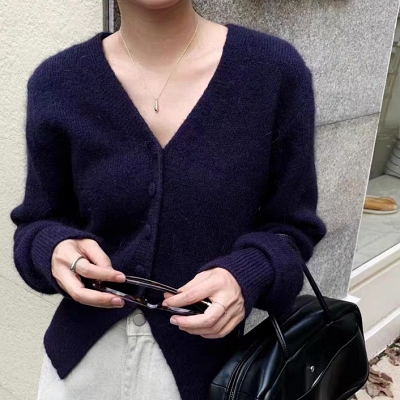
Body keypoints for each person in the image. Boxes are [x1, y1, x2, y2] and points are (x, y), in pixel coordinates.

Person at [10, 0, 327, 399]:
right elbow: (36, 224)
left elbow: (294, 229)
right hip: (79, 370)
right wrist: (53, 249)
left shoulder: (273, 72)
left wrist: (247, 273)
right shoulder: (57, 82)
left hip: (208, 375)